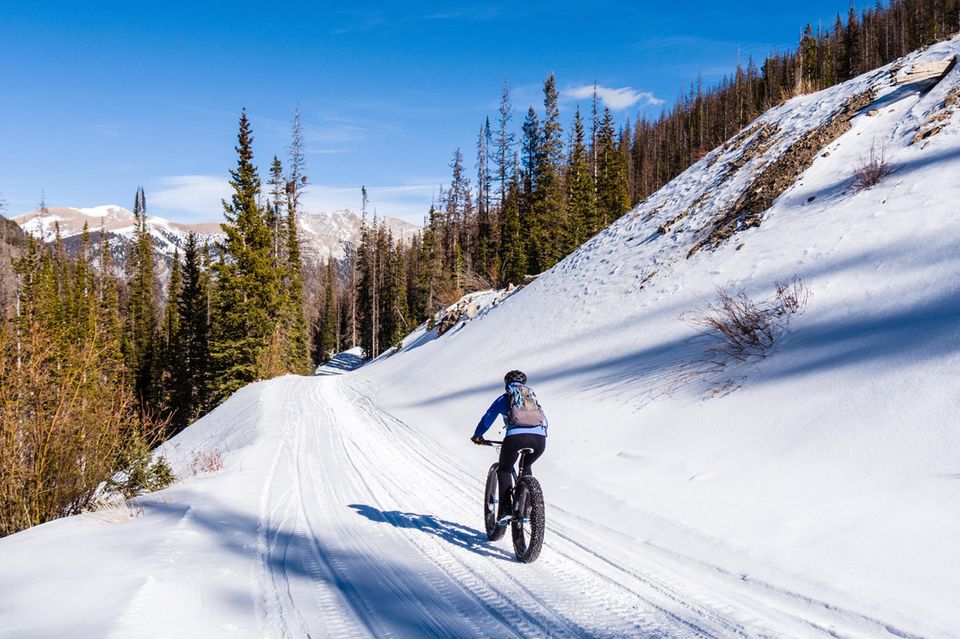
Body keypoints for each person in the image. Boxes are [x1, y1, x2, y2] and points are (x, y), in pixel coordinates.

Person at [471, 370, 547, 521]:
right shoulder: (531, 399)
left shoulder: (504, 399)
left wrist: (478, 436)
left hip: (515, 438)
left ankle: (506, 508)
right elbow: (545, 422)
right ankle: (527, 506)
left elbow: (487, 419)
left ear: (507, 383)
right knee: (526, 465)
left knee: (504, 469)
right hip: (539, 440)